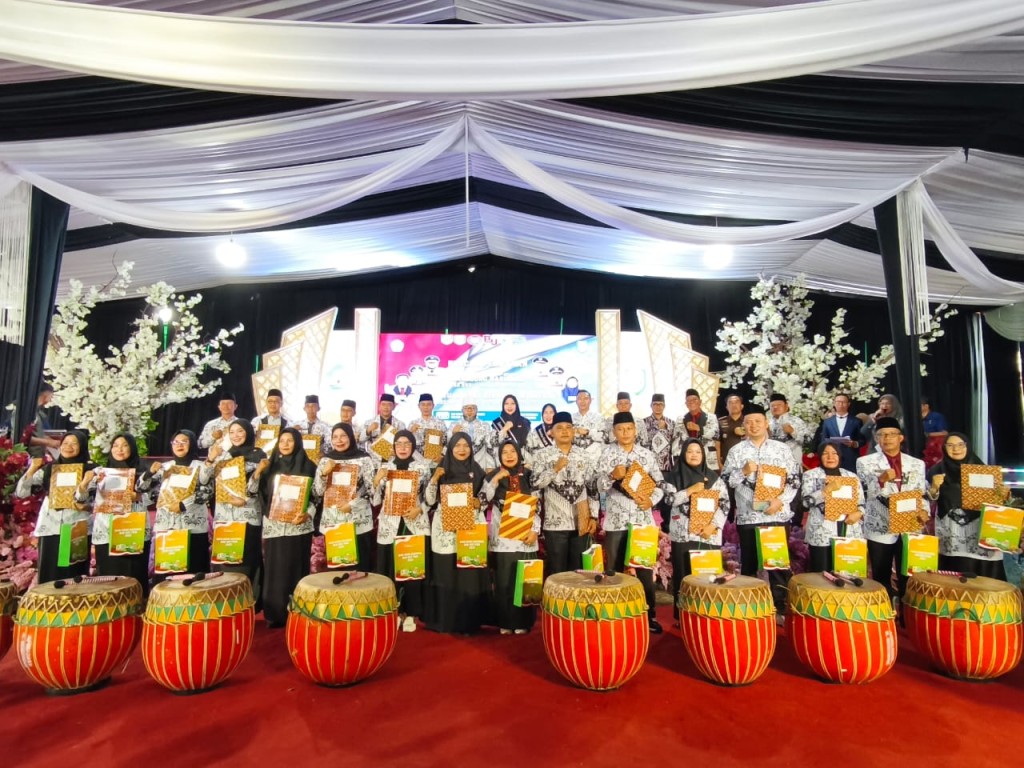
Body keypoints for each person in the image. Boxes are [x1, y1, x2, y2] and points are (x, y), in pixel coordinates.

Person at [722, 404, 800, 618]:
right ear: (743, 425)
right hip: (749, 517)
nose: (753, 425)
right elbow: (726, 480)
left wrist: (780, 501)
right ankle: (750, 607)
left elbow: (794, 480)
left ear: (766, 423)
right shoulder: (736, 451)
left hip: (777, 515)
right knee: (749, 563)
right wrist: (743, 471)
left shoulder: (781, 449)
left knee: (777, 565)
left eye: (758, 421)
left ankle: (780, 607)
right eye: (748, 422)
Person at [596, 412, 665, 634]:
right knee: (613, 569)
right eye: (620, 429)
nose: (625, 433)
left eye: (628, 428)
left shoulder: (646, 455)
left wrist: (651, 500)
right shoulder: (607, 454)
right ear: (613, 431)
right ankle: (615, 612)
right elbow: (597, 486)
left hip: (642, 520)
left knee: (644, 569)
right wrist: (611, 475)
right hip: (616, 521)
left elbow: (660, 484)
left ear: (635, 430)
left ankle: (648, 615)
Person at [857, 416, 928, 607]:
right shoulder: (864, 462)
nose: (887, 438)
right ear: (876, 438)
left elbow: (921, 492)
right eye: (882, 435)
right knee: (881, 574)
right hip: (880, 525)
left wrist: (924, 511)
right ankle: (884, 611)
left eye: (891, 434)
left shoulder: (917, 464)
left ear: (900, 438)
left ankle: (907, 613)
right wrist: (880, 481)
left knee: (909, 574)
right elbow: (863, 494)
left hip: (909, 524)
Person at [425, 432, 490, 634]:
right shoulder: (441, 469)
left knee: (468, 575)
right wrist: (434, 479)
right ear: (451, 448)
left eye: (466, 445)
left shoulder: (477, 470)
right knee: (446, 574)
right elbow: (429, 500)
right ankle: (446, 621)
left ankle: (469, 622)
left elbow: (485, 496)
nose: (462, 449)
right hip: (445, 531)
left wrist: (480, 502)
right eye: (457, 445)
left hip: (469, 529)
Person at [928, 432, 1011, 580]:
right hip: (952, 535)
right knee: (955, 580)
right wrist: (934, 487)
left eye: (961, 445)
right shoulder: (936, 471)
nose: (956, 449)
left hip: (979, 531)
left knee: (985, 579)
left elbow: (997, 502)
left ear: (968, 446)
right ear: (944, 448)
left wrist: (1004, 494)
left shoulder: (984, 470)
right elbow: (927, 501)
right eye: (950, 445)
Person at [201, 419, 268, 600]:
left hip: (247, 515)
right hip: (225, 515)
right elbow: (204, 480)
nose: (236, 435)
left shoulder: (259, 455)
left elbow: (261, 486)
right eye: (232, 432)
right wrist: (210, 459)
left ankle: (248, 598)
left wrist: (244, 499)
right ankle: (225, 597)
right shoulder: (223, 456)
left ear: (248, 433)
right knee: (226, 559)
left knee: (247, 558)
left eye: (240, 431)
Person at [373, 430, 433, 631]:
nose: (403, 447)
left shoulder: (422, 467)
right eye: (399, 443)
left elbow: (431, 496)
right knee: (392, 568)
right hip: (390, 524)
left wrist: (420, 508)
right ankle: (395, 610)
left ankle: (413, 612)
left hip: (413, 522)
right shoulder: (386, 467)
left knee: (411, 568)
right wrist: (376, 481)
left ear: (413, 446)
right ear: (394, 446)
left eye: (407, 443)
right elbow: (376, 500)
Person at [16, 430, 94, 583]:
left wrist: (84, 483)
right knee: (50, 571)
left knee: (71, 572)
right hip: (50, 526)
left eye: (74, 443)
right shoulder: (49, 469)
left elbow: (85, 499)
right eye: (65, 443)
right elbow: (22, 492)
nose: (68, 447)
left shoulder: (91, 470)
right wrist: (32, 469)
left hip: (75, 526)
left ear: (82, 446)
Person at [260, 427, 319, 628]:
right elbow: (259, 494)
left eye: (290, 440)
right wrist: (258, 473)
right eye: (282, 440)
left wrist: (307, 514)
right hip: (275, 526)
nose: (285, 444)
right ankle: (275, 613)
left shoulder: (309, 466)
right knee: (275, 568)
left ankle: (297, 611)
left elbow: (316, 497)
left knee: (295, 566)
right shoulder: (269, 467)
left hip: (298, 526)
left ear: (297, 443)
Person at [666, 438, 728, 626]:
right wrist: (689, 491)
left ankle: (708, 614)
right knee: (684, 576)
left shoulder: (714, 478)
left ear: (703, 455)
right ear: (683, 454)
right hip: (683, 535)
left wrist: (713, 525)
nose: (694, 455)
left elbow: (725, 503)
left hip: (707, 535)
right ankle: (683, 618)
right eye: (690, 451)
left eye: (698, 451)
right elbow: (668, 500)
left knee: (708, 577)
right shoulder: (673, 477)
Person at [484, 441, 540, 635]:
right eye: (504, 452)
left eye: (512, 451)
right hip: (503, 539)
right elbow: (483, 499)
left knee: (525, 580)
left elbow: (538, 504)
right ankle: (506, 621)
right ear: (499, 456)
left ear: (519, 453)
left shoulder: (530, 475)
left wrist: (535, 530)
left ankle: (524, 621)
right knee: (504, 581)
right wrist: (496, 479)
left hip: (526, 536)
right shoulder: (492, 476)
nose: (509, 455)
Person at [533, 412, 597, 577]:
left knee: (579, 572)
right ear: (551, 432)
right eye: (559, 428)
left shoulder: (584, 455)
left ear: (574, 431)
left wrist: (594, 516)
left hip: (581, 522)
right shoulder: (542, 455)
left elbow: (592, 487)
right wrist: (554, 469)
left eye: (568, 427)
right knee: (558, 573)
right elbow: (535, 483)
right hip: (555, 523)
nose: (564, 431)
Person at [145, 429, 212, 583]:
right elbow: (143, 489)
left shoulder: (202, 466)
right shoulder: (164, 467)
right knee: (167, 575)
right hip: (168, 527)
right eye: (176, 442)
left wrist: (183, 505)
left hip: (193, 528)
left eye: (184, 442)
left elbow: (207, 491)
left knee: (193, 575)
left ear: (192, 444)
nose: (179, 445)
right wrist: (149, 473)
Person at [91, 433, 153, 595]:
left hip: (132, 529)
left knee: (133, 574)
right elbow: (83, 496)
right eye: (116, 445)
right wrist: (90, 481)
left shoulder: (144, 471)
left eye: (124, 445)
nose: (119, 449)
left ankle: (136, 606)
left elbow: (158, 496)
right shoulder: (100, 472)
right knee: (109, 577)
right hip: (107, 529)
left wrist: (138, 496)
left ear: (132, 448)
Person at [315, 423, 376, 571]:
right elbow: (318, 492)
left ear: (350, 437)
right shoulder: (326, 460)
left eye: (343, 436)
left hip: (358, 521)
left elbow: (371, 489)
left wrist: (353, 505)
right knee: (337, 571)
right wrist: (323, 474)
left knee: (360, 571)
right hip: (333, 521)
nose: (339, 440)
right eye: (335, 437)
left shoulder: (364, 459)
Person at [801, 443, 866, 573]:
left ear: (839, 456)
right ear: (820, 456)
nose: (830, 457)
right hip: (821, 531)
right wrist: (825, 490)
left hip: (849, 528)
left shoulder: (851, 476)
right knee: (821, 574)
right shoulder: (810, 475)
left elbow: (862, 503)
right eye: (825, 453)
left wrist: (859, 513)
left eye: (834, 453)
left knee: (848, 574)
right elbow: (805, 504)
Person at [674, 389, 719, 470]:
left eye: (694, 399)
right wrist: (677, 459)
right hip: (688, 459)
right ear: (686, 404)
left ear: (700, 402)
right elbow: (676, 440)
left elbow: (715, 434)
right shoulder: (680, 419)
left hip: (707, 459)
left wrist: (699, 428)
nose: (691, 402)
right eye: (688, 400)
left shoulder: (711, 417)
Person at [820, 392, 861, 473]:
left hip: (850, 458)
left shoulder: (856, 421)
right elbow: (823, 440)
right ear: (834, 403)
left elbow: (862, 440)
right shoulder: (827, 422)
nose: (841, 404)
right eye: (838, 402)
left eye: (843, 402)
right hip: (832, 458)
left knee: (850, 479)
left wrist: (854, 443)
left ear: (848, 404)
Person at [451, 398, 496, 470]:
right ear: (462, 410)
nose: (469, 410)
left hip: (480, 465)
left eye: (473, 408)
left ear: (477, 410)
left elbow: (489, 447)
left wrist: (490, 466)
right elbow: (447, 446)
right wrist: (453, 434)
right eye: (466, 408)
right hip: (459, 465)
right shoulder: (454, 425)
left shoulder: (484, 425)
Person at [767, 393, 810, 467]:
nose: (775, 407)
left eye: (779, 405)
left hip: (793, 460)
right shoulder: (767, 423)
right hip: (773, 461)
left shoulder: (797, 421)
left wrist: (793, 432)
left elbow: (808, 441)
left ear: (786, 406)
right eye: (772, 406)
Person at [409, 393, 450, 463]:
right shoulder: (413, 423)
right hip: (416, 461)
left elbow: (447, 442)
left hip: (435, 459)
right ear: (419, 406)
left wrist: (442, 455)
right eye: (423, 404)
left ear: (433, 406)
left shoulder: (440, 423)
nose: (426, 407)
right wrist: (410, 432)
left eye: (428, 404)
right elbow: (406, 442)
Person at [641, 393, 676, 473]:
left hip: (666, 466)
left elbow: (674, 444)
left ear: (664, 406)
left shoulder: (671, 423)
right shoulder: (643, 423)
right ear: (651, 405)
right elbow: (640, 444)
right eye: (655, 404)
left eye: (661, 404)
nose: (658, 406)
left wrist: (664, 429)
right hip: (648, 466)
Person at [27, 382, 62, 458]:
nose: (50, 400)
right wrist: (48, 442)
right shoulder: (26, 412)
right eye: (51, 396)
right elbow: (23, 437)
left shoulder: (37, 413)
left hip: (38, 455)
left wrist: (51, 441)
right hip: (28, 457)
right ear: (46, 394)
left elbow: (37, 434)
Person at [571, 389, 606, 458]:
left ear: (590, 401)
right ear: (576, 401)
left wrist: (588, 432)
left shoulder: (599, 417)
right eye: (579, 399)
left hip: (594, 456)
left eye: (585, 398)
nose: (582, 401)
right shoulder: (571, 418)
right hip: (575, 456)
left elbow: (604, 437)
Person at [716, 393, 746, 468]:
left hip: (746, 462)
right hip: (726, 463)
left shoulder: (748, 421)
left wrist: (745, 432)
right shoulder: (720, 422)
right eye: (730, 403)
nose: (734, 405)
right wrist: (719, 464)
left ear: (742, 406)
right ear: (727, 407)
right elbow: (717, 444)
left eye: (736, 402)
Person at [921, 397, 950, 469]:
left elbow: (944, 433)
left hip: (933, 448)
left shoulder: (936, 417)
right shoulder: (914, 417)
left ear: (926, 406)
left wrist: (928, 434)